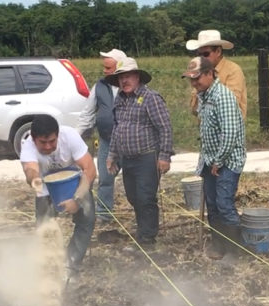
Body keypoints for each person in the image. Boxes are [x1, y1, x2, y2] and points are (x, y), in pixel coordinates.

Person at [182, 56, 246, 260]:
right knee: (212, 204)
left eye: (197, 78)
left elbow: (230, 132)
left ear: (210, 74)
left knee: (224, 203)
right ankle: (219, 245)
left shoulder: (222, 96)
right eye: (191, 79)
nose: (194, 83)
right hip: (211, 160)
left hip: (226, 161)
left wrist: (219, 161)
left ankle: (234, 251)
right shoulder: (204, 95)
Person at [105, 57, 173, 247]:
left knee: (145, 197)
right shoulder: (119, 100)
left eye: (128, 76)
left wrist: (164, 156)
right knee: (133, 197)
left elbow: (165, 128)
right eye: (120, 78)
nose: (124, 81)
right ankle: (144, 231)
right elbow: (117, 129)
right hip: (128, 159)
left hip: (147, 156)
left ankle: (147, 238)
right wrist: (112, 155)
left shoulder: (151, 98)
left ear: (137, 77)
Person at [20, 116, 96, 279]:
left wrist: (77, 200)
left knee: (87, 219)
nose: (48, 147)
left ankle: (71, 264)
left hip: (75, 184)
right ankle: (49, 268)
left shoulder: (70, 137)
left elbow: (90, 169)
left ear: (58, 135)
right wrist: (34, 179)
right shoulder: (28, 148)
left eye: (52, 141)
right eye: (43, 143)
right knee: (45, 228)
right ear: (34, 140)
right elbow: (30, 170)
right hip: (46, 188)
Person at [77, 48, 125, 222]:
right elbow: (87, 114)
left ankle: (140, 214)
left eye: (108, 68)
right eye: (104, 67)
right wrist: (77, 136)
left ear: (120, 67)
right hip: (107, 141)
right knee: (105, 178)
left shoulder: (130, 85)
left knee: (134, 182)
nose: (104, 71)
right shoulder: (99, 86)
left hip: (130, 144)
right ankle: (104, 214)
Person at [186, 29, 246, 119]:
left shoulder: (233, 71)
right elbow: (194, 109)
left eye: (206, 54)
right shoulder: (199, 72)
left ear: (218, 51)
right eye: (199, 54)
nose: (201, 58)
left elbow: (230, 106)